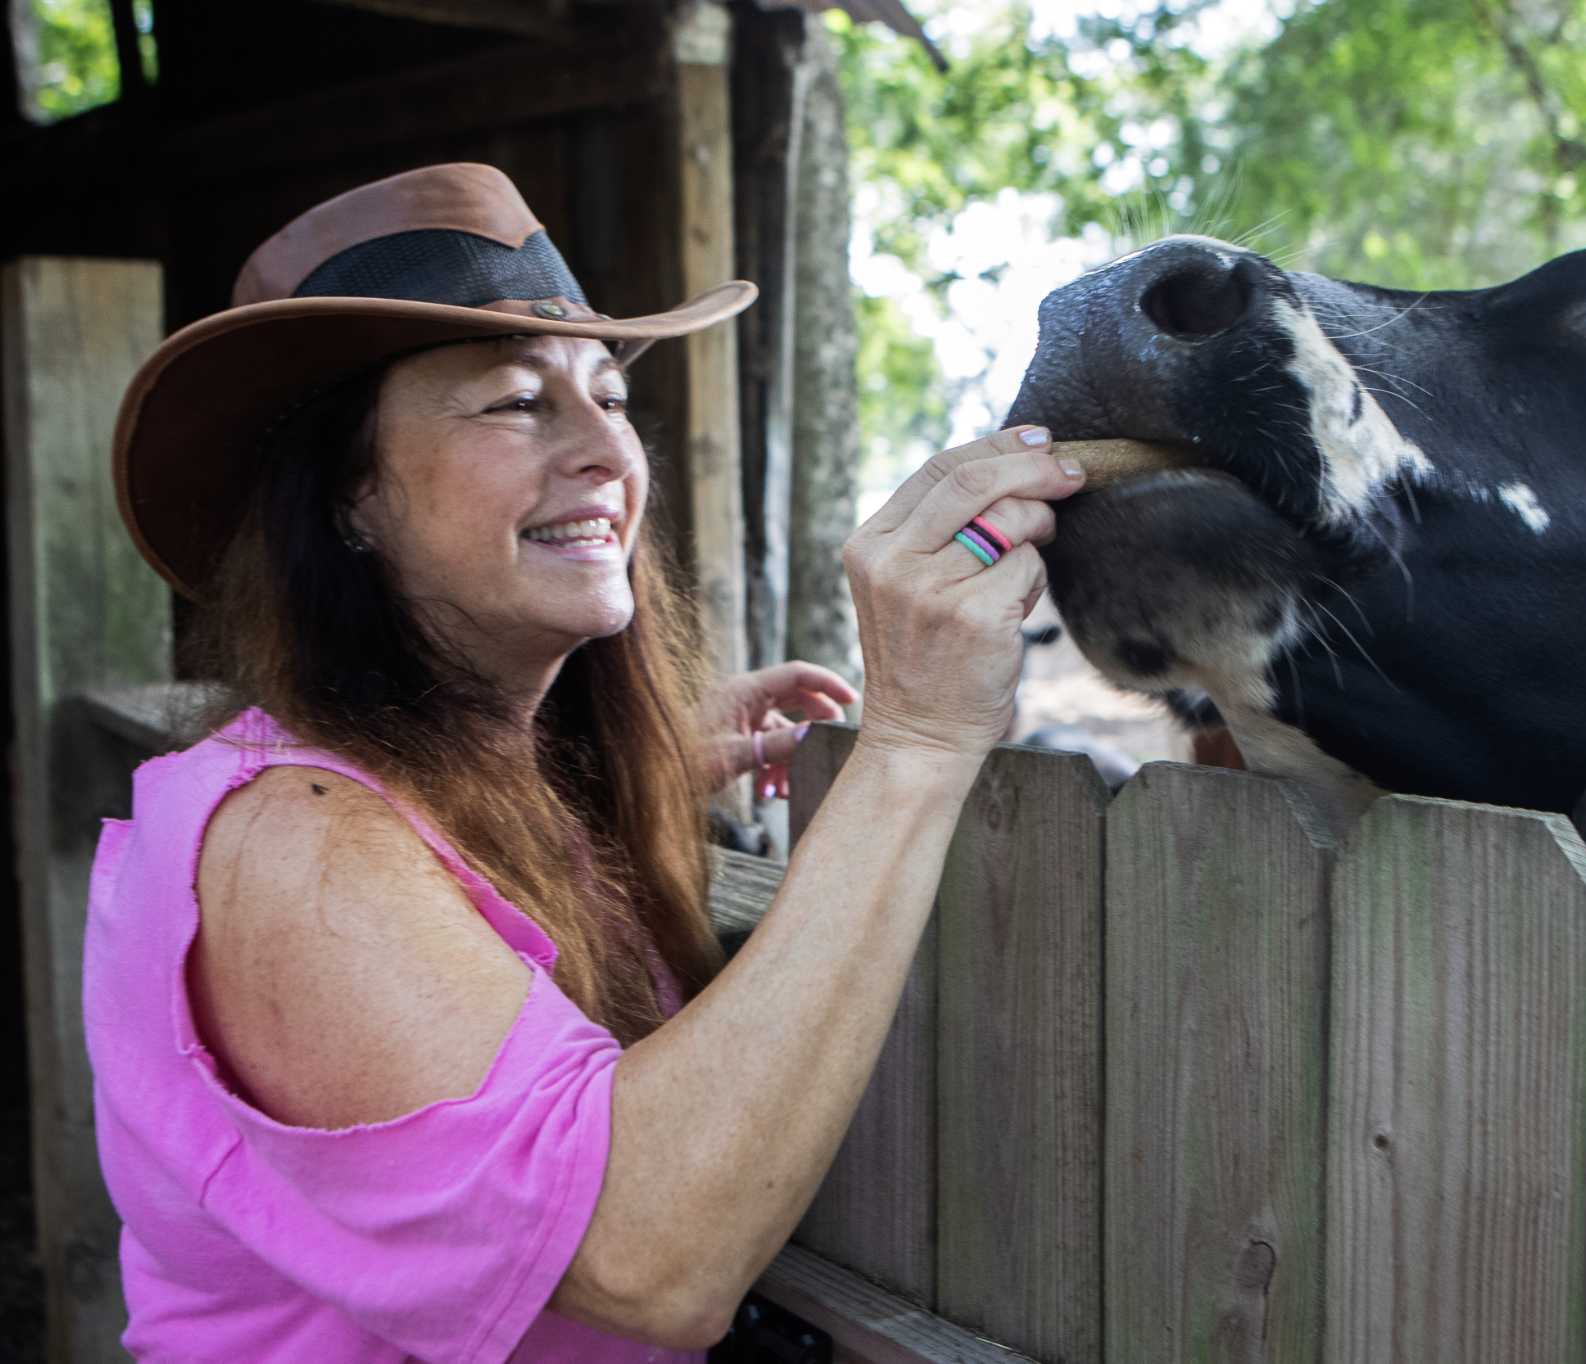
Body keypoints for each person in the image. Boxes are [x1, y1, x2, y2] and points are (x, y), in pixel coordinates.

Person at [84, 163, 1087, 1361]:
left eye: (608, 395)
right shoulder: (290, 844)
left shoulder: (451, 782)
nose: (606, 450)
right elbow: (640, 1258)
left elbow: (449, 892)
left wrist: (636, 779)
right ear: (351, 496)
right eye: (514, 402)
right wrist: (914, 742)